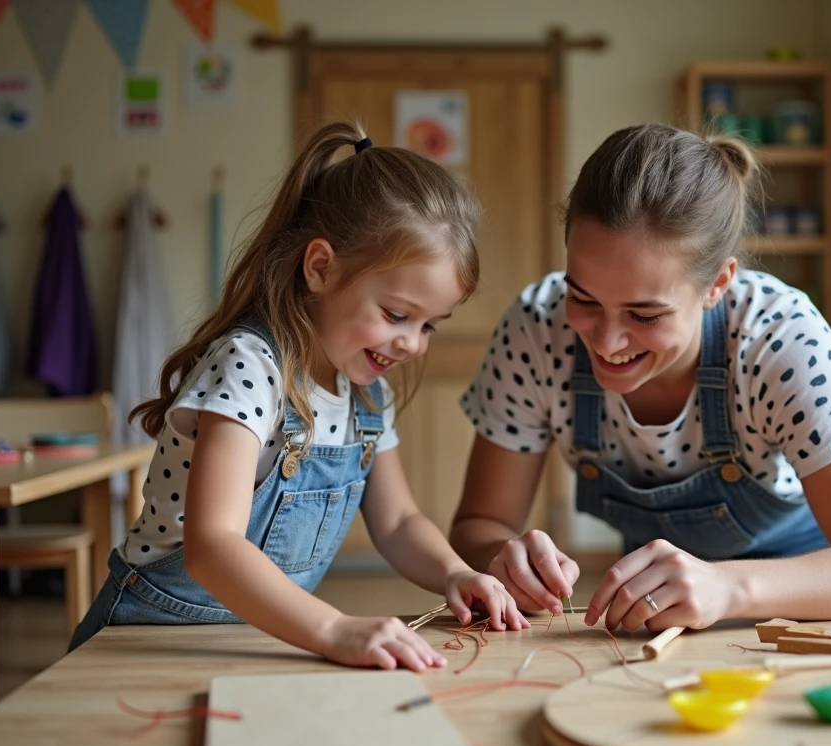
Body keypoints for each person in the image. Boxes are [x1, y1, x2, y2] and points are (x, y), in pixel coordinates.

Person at [450, 123, 831, 633]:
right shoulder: (536, 329)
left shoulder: (778, 337)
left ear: (717, 284)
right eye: (582, 299)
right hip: (708, 562)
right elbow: (478, 524)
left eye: (645, 316)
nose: (606, 342)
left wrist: (729, 586)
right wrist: (503, 558)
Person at [70, 121, 527, 667]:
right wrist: (333, 629)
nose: (412, 344)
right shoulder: (249, 365)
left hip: (264, 640)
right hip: (150, 636)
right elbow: (213, 546)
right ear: (320, 269)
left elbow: (399, 522)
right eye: (397, 315)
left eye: (430, 325)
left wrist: (456, 572)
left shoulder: (368, 397)